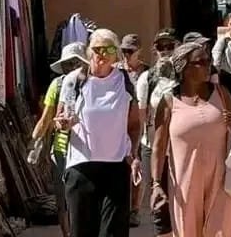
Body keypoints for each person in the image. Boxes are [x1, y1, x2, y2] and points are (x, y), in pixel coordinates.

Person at [151, 41, 231, 237]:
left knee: (223, 231)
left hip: (221, 179)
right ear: (183, 68)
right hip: (185, 184)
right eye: (200, 61)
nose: (207, 64)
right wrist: (156, 184)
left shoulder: (221, 93)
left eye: (208, 60)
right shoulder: (168, 102)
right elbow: (158, 148)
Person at [56, 29, 142, 237]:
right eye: (97, 49)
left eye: (109, 49)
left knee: (113, 233)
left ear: (116, 55)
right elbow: (60, 119)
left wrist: (133, 154)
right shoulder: (73, 81)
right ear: (89, 52)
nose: (102, 54)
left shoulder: (125, 82)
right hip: (80, 168)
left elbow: (134, 124)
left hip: (115, 168)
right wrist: (63, 124)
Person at [30, 42, 88, 237]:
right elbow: (47, 118)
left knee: (68, 198)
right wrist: (36, 139)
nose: (71, 68)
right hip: (68, 150)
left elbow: (46, 118)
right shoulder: (61, 85)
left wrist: (35, 139)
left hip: (81, 150)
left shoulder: (66, 84)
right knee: (68, 199)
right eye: (68, 64)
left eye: (74, 63)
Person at [135, 28, 179, 230]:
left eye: (170, 46)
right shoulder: (146, 78)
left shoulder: (183, 77)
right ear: (155, 50)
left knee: (181, 201)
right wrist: (137, 151)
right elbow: (141, 114)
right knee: (159, 206)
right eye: (162, 47)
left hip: (179, 149)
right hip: (152, 146)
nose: (166, 51)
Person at [119, 33, 148, 226]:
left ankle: (135, 209)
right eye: (124, 51)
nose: (126, 55)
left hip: (141, 125)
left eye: (130, 51)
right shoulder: (117, 71)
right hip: (119, 124)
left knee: (138, 166)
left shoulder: (147, 72)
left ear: (139, 51)